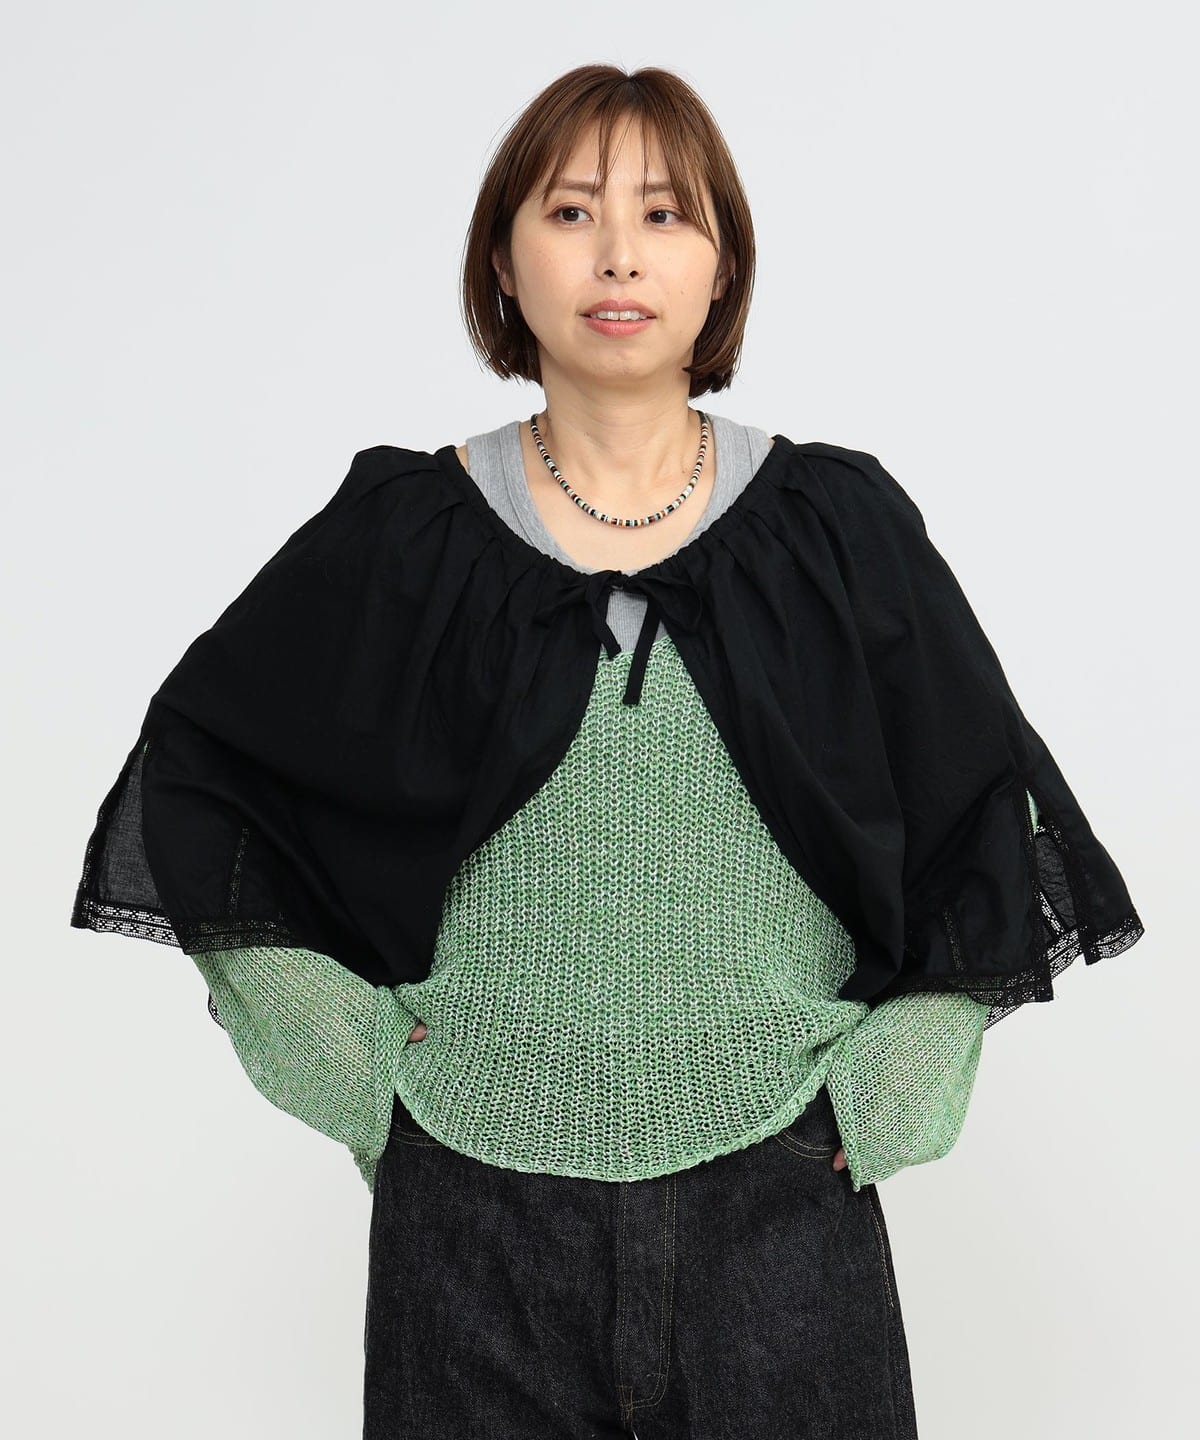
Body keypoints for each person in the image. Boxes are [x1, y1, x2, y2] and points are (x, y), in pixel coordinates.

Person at [70, 63, 1144, 1439]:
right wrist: (350, 1057)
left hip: (786, 1198)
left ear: (722, 264)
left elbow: (988, 810)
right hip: (471, 1217)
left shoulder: (833, 528)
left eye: (665, 214)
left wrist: (903, 1070)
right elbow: (204, 771)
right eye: (571, 211)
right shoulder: (408, 535)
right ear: (502, 261)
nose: (619, 254)